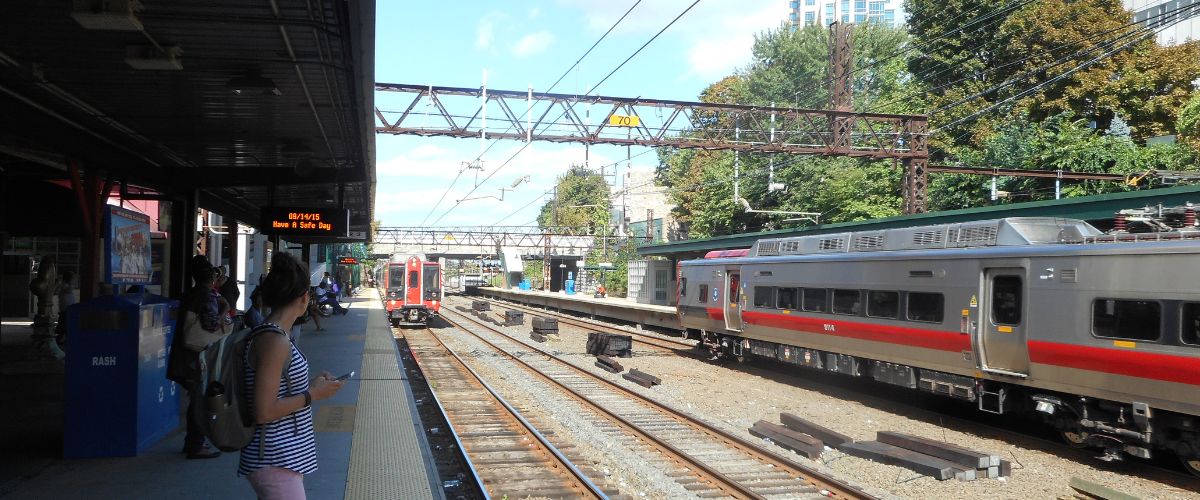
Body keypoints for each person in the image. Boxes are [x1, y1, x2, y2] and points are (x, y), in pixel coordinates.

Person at [241, 252, 344, 498]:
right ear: (304, 297)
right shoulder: (274, 340)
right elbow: (264, 411)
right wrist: (312, 395)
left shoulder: (276, 335)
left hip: (283, 456)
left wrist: (312, 386)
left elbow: (278, 388)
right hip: (275, 456)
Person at [172, 255, 227, 459]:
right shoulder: (207, 296)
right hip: (197, 357)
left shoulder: (191, 294)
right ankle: (196, 445)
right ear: (211, 276)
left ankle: (192, 442)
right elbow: (211, 325)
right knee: (200, 402)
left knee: (195, 399)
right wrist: (223, 308)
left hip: (184, 356)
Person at [54, 270, 77, 346]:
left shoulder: (65, 285)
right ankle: (60, 341)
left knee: (65, 326)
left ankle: (62, 340)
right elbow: (66, 290)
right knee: (65, 326)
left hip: (67, 308)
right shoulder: (64, 285)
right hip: (66, 309)